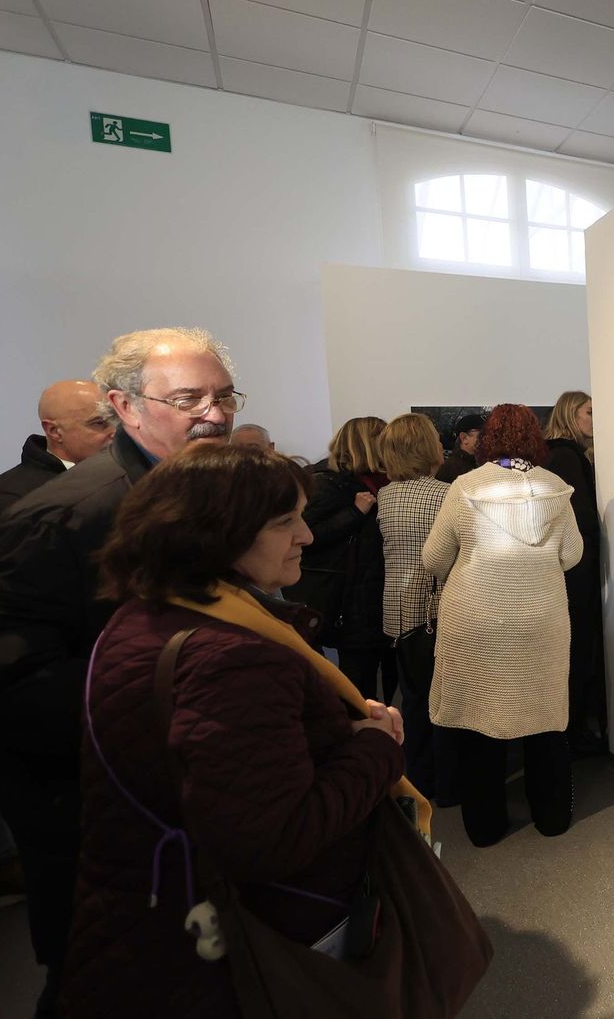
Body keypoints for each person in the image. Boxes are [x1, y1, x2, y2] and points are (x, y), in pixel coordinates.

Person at [61, 444, 417, 1019]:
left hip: (144, 912)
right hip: (242, 941)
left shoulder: (144, 615)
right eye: (284, 522)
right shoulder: (231, 654)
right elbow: (274, 838)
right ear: (213, 533)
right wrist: (377, 748)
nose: (304, 535)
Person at [0, 327, 239, 1017]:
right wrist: (168, 702)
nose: (214, 413)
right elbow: (6, 687)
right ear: (124, 407)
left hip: (180, 810)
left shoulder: (196, 491)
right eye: (188, 398)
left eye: (223, 395)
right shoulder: (69, 515)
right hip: (96, 821)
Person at [423, 404, 582, 846]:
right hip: (541, 622)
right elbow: (572, 554)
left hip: (478, 620)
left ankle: (486, 828)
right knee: (546, 722)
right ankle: (552, 819)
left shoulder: (465, 488)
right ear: (536, 437)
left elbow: (433, 559)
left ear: (488, 439)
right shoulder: (555, 489)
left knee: (482, 723)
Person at [375, 414, 450, 798]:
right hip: (436, 611)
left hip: (397, 611)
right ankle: (444, 782)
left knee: (414, 699)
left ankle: (419, 777)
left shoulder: (386, 495)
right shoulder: (447, 494)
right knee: (443, 703)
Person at [296, 417, 393, 702]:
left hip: (364, 595)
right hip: (346, 599)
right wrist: (353, 514)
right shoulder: (326, 483)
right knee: (356, 687)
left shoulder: (374, 480)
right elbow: (304, 536)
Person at [542, 391, 606, 755]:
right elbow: (578, 521)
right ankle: (573, 733)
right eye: (590, 411)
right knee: (578, 651)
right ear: (571, 415)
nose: (596, 418)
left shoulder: (558, 455)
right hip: (575, 573)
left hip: (565, 572)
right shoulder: (567, 457)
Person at [0, 380, 114, 541]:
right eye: (99, 423)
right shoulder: (6, 500)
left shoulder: (119, 478)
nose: (115, 432)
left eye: (116, 420)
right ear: (54, 431)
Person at [436, 412, 484, 484]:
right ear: (464, 438)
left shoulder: (479, 463)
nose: (489, 439)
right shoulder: (452, 469)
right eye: (482, 434)